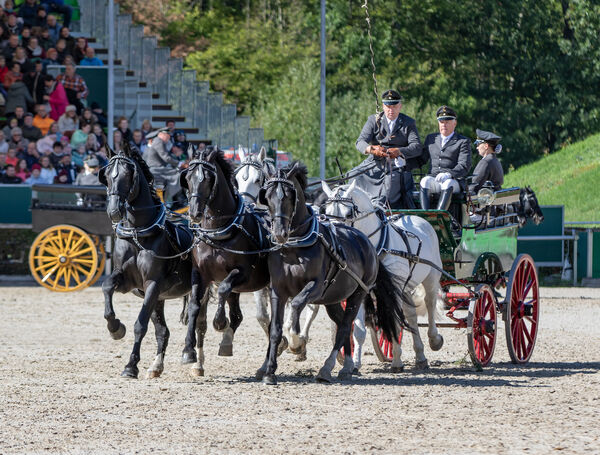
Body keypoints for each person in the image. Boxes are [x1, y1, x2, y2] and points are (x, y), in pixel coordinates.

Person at [354, 89, 423, 209]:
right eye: (387, 106)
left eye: (394, 106)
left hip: (396, 165)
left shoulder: (408, 123)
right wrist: (371, 149)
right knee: (353, 175)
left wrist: (399, 151)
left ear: (400, 106)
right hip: (375, 163)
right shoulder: (373, 120)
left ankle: (379, 210)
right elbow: (360, 142)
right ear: (383, 106)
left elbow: (416, 147)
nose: (391, 110)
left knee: (388, 186)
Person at [420, 106, 472, 211]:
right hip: (434, 178)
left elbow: (464, 165)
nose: (444, 124)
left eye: (447, 122)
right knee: (424, 181)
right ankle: (425, 215)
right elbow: (421, 159)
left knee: (447, 183)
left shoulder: (462, 141)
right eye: (441, 122)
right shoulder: (431, 138)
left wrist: (449, 174)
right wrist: (402, 160)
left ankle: (440, 216)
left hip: (453, 181)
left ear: (454, 123)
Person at [143, 127, 182, 201]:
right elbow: (165, 157)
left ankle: (171, 198)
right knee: (178, 174)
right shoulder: (158, 141)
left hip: (158, 169)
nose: (169, 137)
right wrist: (179, 163)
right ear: (162, 134)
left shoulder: (160, 142)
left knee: (177, 173)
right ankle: (173, 198)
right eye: (168, 135)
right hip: (156, 169)